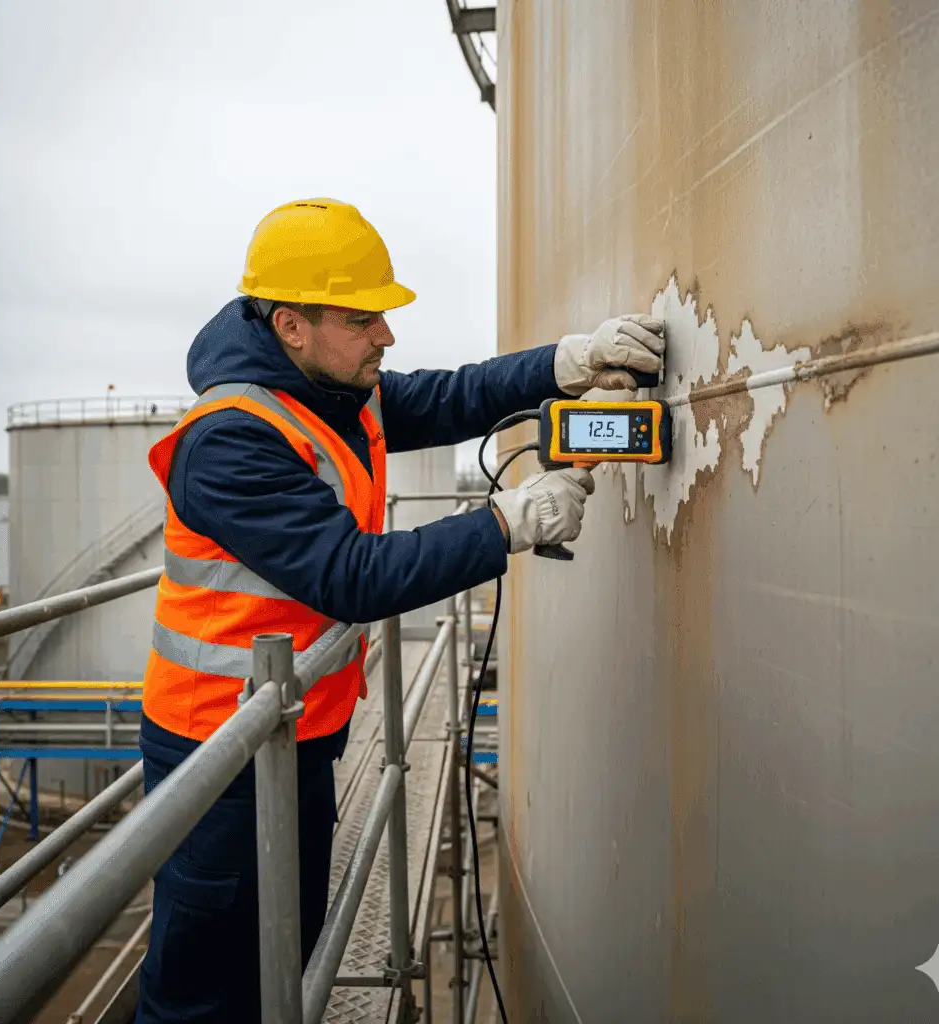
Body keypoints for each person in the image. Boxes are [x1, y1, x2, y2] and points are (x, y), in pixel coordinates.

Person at [134, 198, 664, 1022]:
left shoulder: (334, 390)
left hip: (292, 731)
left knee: (283, 960)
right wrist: (507, 521)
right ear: (292, 326)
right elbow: (349, 576)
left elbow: (453, 398)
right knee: (206, 994)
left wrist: (568, 361)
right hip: (220, 755)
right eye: (363, 316)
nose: (385, 335)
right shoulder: (231, 438)